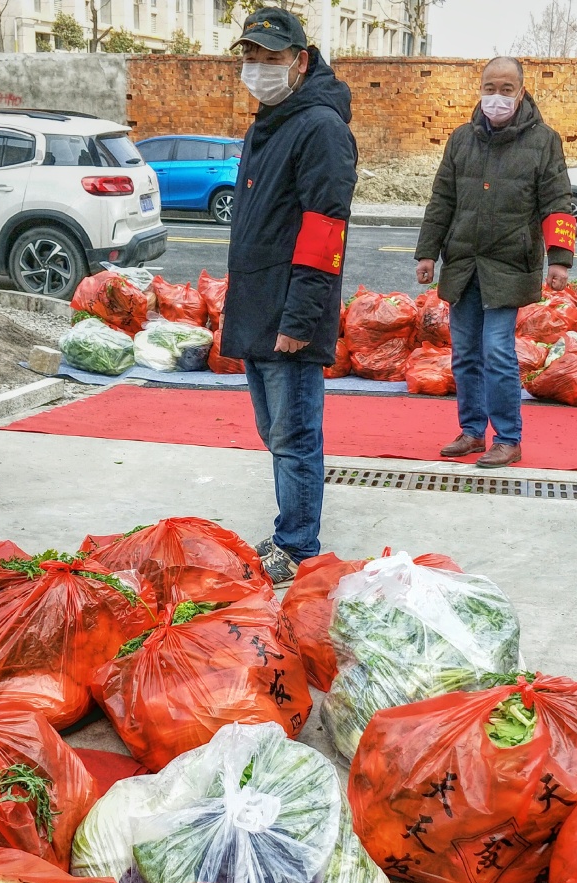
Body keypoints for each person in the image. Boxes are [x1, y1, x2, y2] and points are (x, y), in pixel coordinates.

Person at [221, 8, 357, 585]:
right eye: (250, 58)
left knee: (296, 433)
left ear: (300, 62)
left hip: (289, 311)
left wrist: (301, 316)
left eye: (271, 58)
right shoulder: (268, 123)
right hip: (258, 305)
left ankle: (298, 543)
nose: (258, 69)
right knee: (274, 429)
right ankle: (290, 526)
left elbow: (325, 229)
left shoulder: (320, 127)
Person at [415, 56, 577, 469]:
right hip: (463, 262)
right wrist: (427, 252)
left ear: (521, 92)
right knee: (466, 353)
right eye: (490, 88)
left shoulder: (544, 141)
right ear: (480, 89)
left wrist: (560, 259)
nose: (497, 97)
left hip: (509, 263)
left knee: (498, 351)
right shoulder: (461, 140)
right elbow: (442, 201)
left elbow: (558, 203)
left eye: (507, 89)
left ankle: (508, 437)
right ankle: (472, 431)